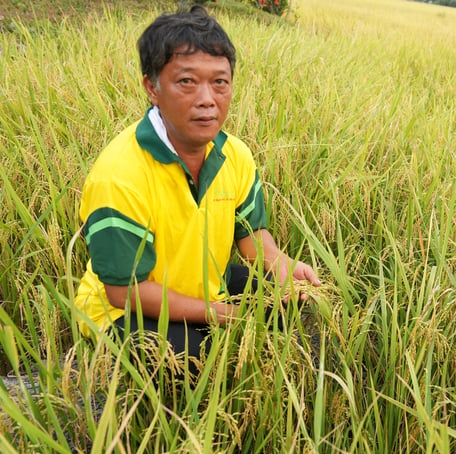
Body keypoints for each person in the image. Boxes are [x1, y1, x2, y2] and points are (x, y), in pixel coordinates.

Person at [74, 5, 321, 367]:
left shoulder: (236, 156)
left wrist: (282, 265)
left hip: (204, 286)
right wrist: (221, 314)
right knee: (204, 358)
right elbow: (124, 291)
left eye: (219, 82)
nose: (207, 99)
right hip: (124, 313)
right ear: (152, 87)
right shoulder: (119, 175)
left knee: (289, 307)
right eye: (187, 82)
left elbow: (251, 236)